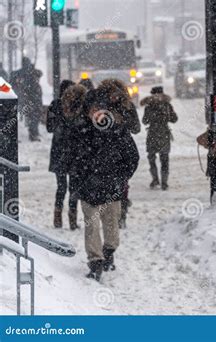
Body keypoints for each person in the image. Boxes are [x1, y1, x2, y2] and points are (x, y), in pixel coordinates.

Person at [70, 85, 139, 281]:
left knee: (111, 227)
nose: (95, 113)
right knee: (91, 227)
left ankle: (108, 253)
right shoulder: (81, 131)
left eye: (98, 108)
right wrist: (79, 181)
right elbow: (72, 159)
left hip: (112, 188)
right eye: (92, 109)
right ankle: (95, 262)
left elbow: (132, 157)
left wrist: (122, 177)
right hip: (88, 189)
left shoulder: (118, 131)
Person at [96, 79, 140, 229]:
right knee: (107, 184)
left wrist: (122, 122)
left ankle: (121, 213)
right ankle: (110, 214)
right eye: (111, 94)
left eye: (116, 94)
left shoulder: (127, 107)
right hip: (105, 149)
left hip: (123, 149)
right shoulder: (100, 109)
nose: (113, 97)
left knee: (122, 183)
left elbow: (136, 128)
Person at [47, 79, 79, 229]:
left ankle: (57, 217)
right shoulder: (77, 106)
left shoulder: (55, 105)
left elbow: (49, 127)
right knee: (74, 186)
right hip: (74, 150)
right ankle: (72, 219)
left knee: (61, 187)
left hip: (59, 150)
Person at [141, 86, 177, 190]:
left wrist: (156, 115)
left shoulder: (152, 106)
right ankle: (161, 181)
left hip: (155, 135)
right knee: (161, 159)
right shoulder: (165, 105)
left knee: (155, 158)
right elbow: (174, 119)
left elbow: (145, 121)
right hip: (161, 135)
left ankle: (158, 180)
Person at [10, 57, 43, 141]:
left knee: (31, 116)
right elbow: (40, 73)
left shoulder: (22, 72)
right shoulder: (31, 72)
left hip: (27, 98)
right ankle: (33, 134)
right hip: (32, 98)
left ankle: (33, 133)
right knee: (34, 116)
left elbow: (13, 76)